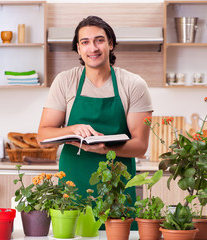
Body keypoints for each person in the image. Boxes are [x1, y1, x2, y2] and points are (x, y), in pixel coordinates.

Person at [37, 16, 153, 228]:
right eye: (85, 42)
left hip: (117, 190)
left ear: (110, 44)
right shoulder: (65, 81)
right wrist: (71, 129)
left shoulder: (133, 84)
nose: (93, 47)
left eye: (99, 40)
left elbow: (140, 146)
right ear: (79, 49)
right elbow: (43, 136)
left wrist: (104, 149)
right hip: (73, 186)